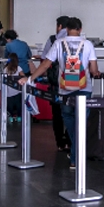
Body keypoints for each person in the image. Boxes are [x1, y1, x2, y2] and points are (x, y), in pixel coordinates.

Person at [21, 17, 99, 169]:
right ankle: (76, 157)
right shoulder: (88, 44)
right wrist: (95, 72)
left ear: (66, 29)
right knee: (81, 124)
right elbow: (94, 69)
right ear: (80, 29)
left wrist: (30, 78)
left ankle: (75, 156)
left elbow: (45, 64)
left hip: (65, 89)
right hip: (84, 88)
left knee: (68, 118)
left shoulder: (58, 43)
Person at [41, 15, 70, 152]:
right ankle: (71, 141)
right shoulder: (80, 40)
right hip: (73, 83)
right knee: (72, 113)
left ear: (59, 26)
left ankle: (60, 142)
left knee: (57, 114)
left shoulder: (53, 40)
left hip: (56, 84)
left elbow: (45, 60)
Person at [3, 54, 26, 122]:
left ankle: (10, 118)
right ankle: (19, 118)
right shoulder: (18, 68)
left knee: (10, 107)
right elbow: (23, 76)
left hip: (8, 92)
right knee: (19, 106)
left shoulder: (5, 69)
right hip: (17, 91)